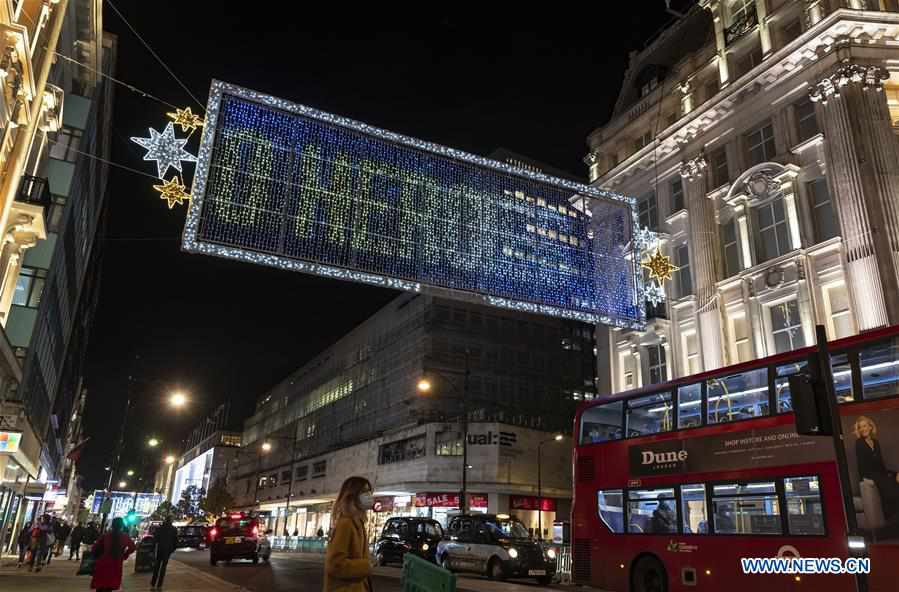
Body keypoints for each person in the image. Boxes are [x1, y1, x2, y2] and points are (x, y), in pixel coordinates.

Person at [324, 476, 374, 592]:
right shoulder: (346, 524)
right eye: (364, 491)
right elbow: (335, 565)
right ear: (352, 495)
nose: (369, 495)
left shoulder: (358, 523)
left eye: (369, 491)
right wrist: (366, 566)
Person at [854, 415, 899, 521]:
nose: (862, 429)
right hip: (870, 474)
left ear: (870, 427)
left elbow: (881, 465)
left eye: (865, 426)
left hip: (880, 472)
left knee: (895, 477)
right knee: (888, 485)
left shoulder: (876, 442)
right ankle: (891, 518)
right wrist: (863, 479)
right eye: (860, 427)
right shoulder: (859, 443)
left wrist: (894, 473)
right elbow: (860, 464)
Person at [91, 517, 136, 592]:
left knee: (100, 586)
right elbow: (133, 547)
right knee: (110, 586)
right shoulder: (125, 537)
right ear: (121, 526)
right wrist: (125, 555)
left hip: (103, 562)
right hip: (116, 563)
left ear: (112, 525)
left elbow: (95, 548)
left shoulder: (106, 535)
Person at [150, 517, 178, 591]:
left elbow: (155, 540)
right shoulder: (174, 529)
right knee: (163, 568)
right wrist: (172, 549)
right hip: (167, 550)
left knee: (157, 566)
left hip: (160, 549)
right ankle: (159, 585)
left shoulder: (159, 528)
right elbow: (175, 541)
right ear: (171, 521)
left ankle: (153, 583)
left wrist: (152, 550)